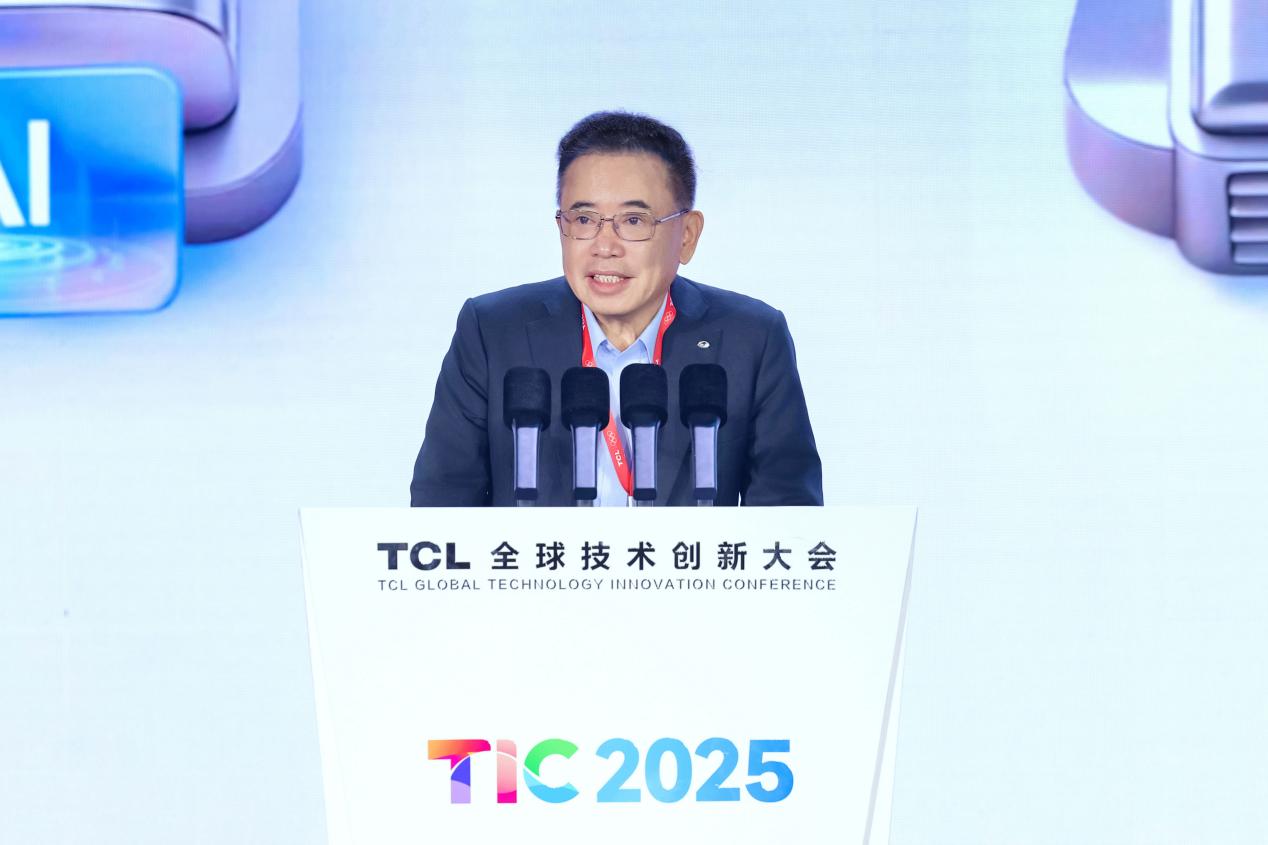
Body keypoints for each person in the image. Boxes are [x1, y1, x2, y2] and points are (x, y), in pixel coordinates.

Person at [410, 111, 822, 506]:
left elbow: (790, 523)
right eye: (584, 219)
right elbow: (441, 509)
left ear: (687, 235)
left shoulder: (751, 339)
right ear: (561, 227)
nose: (604, 246)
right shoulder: (493, 332)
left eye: (634, 221)